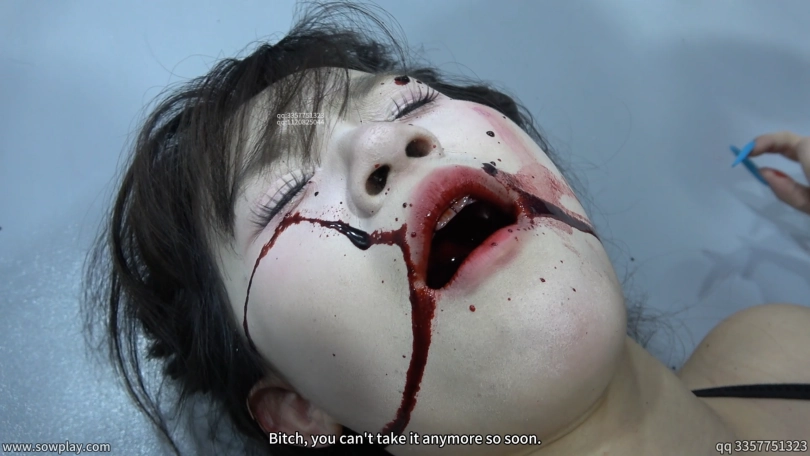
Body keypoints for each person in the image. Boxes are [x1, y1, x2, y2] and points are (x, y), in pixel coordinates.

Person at [83, 3, 810, 455]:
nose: (386, 141)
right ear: (299, 409)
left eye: (407, 105)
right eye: (285, 195)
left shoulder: (780, 343)